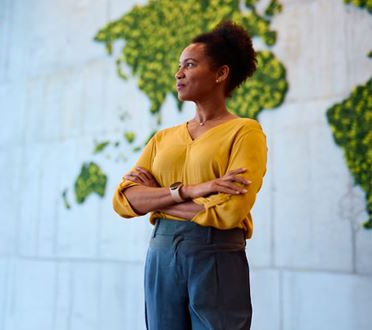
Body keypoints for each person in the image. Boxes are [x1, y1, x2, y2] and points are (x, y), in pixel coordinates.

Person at [111, 20, 267, 330]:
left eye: (190, 65)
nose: (178, 73)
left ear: (220, 73)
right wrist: (190, 191)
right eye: (179, 66)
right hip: (161, 255)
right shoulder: (162, 138)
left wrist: (156, 201)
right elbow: (123, 199)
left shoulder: (245, 131)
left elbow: (229, 211)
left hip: (216, 254)